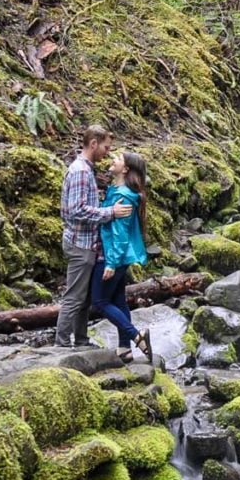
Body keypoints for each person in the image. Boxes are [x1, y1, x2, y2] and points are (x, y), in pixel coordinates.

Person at [55, 125, 133, 348]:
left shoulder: (86, 169)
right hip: (80, 244)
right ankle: (60, 344)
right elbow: (76, 209)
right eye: (106, 147)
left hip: (87, 243)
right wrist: (110, 213)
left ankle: (81, 340)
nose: (107, 153)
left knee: (85, 299)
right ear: (93, 144)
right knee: (75, 297)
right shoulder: (80, 171)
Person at [92, 151, 152, 363]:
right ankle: (124, 348)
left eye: (117, 158)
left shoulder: (123, 195)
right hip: (119, 256)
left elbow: (120, 234)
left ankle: (136, 336)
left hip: (113, 256)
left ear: (125, 169)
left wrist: (111, 263)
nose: (112, 159)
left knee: (99, 301)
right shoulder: (118, 190)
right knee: (118, 300)